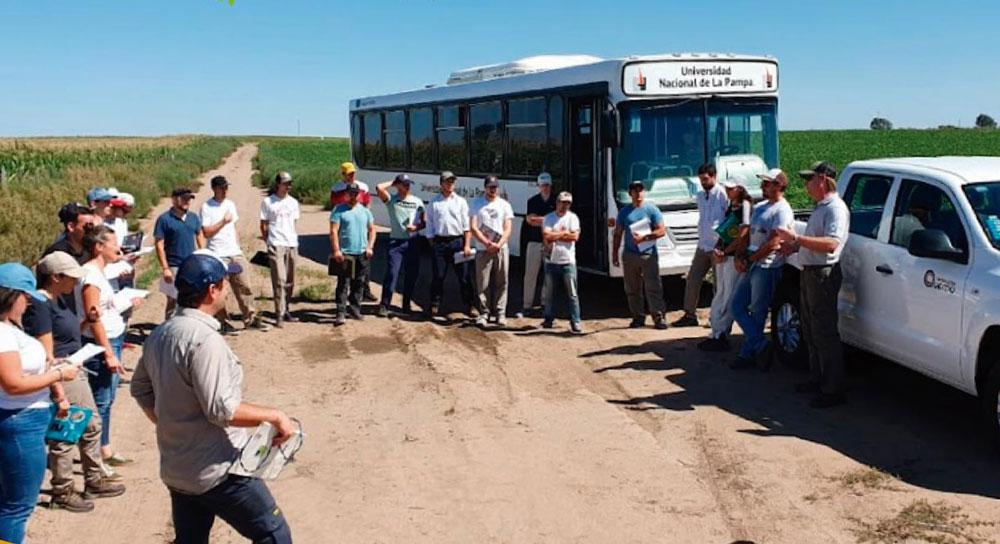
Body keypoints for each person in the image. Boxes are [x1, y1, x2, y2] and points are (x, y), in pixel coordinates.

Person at [131, 252, 294, 544]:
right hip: (219, 471)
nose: (228, 287)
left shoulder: (161, 333)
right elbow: (222, 410)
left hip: (179, 467)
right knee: (274, 535)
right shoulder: (204, 340)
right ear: (212, 290)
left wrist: (173, 423)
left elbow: (140, 389)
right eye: (224, 282)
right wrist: (275, 415)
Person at [23, 253, 125, 513]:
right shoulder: (40, 307)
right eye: (70, 278)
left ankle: (91, 480)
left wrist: (88, 320)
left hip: (73, 367)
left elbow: (67, 334)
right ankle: (64, 490)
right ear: (55, 278)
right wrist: (58, 393)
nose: (75, 283)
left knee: (90, 425)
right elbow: (47, 355)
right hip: (63, 374)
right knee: (69, 430)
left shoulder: (57, 301)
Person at [0, 262, 80, 543]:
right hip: (19, 423)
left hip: (21, 420)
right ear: (13, 296)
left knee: (9, 500)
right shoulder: (3, 334)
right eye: (26, 297)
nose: (27, 304)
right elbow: (13, 383)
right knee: (17, 505)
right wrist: (57, 374)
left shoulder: (9, 329)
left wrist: (50, 368)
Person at [776, 161, 850, 408]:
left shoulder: (835, 209)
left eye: (810, 180)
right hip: (810, 272)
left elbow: (831, 243)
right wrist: (794, 246)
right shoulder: (821, 207)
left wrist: (797, 239)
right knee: (810, 327)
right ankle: (817, 378)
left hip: (823, 274)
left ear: (823, 180)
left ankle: (832, 389)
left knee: (824, 331)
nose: (806, 185)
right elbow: (815, 239)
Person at [730, 168, 794, 370]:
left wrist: (751, 259)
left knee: (758, 311)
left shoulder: (782, 210)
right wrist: (741, 256)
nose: (763, 186)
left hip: (767, 266)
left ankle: (748, 354)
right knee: (737, 306)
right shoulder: (760, 207)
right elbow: (748, 234)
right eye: (763, 183)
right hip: (751, 262)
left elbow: (773, 242)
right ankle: (760, 344)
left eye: (767, 183)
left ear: (779, 185)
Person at [698, 178, 752, 352]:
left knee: (728, 293)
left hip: (733, 256)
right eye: (727, 188)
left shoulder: (745, 206)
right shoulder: (731, 206)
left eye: (731, 188)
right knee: (720, 291)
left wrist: (729, 250)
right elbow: (724, 229)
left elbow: (743, 232)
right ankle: (716, 331)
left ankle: (722, 333)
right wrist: (718, 248)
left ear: (740, 188)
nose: (728, 191)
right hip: (724, 254)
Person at [200, 175, 260, 331]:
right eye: (222, 188)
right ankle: (222, 322)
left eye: (226, 187)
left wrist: (238, 247)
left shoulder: (230, 204)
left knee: (245, 285)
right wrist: (223, 222)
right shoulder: (206, 207)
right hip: (217, 254)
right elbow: (206, 232)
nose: (225, 190)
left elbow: (233, 228)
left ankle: (250, 318)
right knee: (220, 290)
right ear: (214, 189)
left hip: (234, 252)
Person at [674, 164, 729, 327]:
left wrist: (723, 244)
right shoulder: (700, 196)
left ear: (714, 177)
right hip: (703, 244)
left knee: (719, 284)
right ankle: (690, 314)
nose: (703, 182)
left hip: (717, 245)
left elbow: (728, 218)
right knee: (693, 278)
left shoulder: (722, 194)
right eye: (701, 180)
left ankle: (718, 317)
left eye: (705, 179)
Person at [613, 180, 668, 329]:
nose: (638, 194)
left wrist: (645, 238)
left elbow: (662, 230)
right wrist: (614, 254)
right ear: (630, 193)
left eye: (641, 190)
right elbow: (618, 233)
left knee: (653, 287)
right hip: (630, 255)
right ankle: (637, 317)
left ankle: (659, 317)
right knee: (632, 289)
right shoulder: (624, 212)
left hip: (648, 254)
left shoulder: (652, 210)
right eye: (635, 191)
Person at [424, 171, 475, 318]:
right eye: (447, 181)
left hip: (458, 242)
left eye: (452, 181)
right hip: (440, 243)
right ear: (441, 184)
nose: (450, 184)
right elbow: (430, 226)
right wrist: (433, 244)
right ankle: (434, 304)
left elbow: (466, 226)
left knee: (464, 277)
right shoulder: (434, 202)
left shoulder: (461, 201)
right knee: (438, 276)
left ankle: (470, 305)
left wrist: (466, 245)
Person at [375, 174, 424, 317]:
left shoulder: (417, 201)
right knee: (392, 273)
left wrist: (416, 227)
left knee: (411, 275)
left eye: (408, 184)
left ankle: (406, 304)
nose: (407, 186)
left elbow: (423, 222)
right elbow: (379, 188)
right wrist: (393, 182)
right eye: (404, 184)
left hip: (413, 241)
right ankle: (384, 304)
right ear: (398, 185)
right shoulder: (391, 200)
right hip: (395, 242)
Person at [470, 175, 514, 327]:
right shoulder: (477, 204)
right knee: (483, 283)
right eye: (490, 187)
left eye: (495, 187)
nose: (493, 190)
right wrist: (487, 242)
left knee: (502, 281)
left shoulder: (504, 205)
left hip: (501, 249)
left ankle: (501, 313)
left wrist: (499, 244)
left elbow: (508, 228)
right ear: (485, 188)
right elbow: (473, 227)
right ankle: (484, 313)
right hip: (483, 249)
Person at [155, 187, 205, 319]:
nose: (187, 201)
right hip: (173, 265)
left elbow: (199, 234)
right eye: (183, 198)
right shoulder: (164, 219)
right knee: (173, 300)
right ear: (174, 200)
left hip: (191, 265)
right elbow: (159, 244)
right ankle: (169, 328)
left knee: (192, 298)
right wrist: (165, 268)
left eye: (189, 199)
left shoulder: (193, 217)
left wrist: (202, 251)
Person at [330, 185, 376, 326]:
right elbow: (333, 231)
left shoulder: (365, 211)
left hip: (362, 253)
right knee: (343, 284)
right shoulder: (339, 210)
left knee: (359, 283)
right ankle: (341, 312)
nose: (354, 196)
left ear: (359, 195)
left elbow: (372, 230)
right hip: (345, 254)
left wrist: (370, 247)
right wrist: (336, 250)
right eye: (351, 193)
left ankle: (355, 309)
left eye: (356, 193)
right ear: (346, 194)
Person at [331, 162, 376, 303]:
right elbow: (335, 206)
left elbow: (368, 203)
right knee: (345, 269)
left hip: (360, 222)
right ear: (343, 174)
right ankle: (344, 300)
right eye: (349, 173)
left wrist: (365, 216)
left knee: (363, 266)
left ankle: (365, 291)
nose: (351, 176)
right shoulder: (337, 189)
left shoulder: (362, 187)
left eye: (353, 173)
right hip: (345, 226)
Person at [260, 171, 300, 328]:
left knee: (290, 280)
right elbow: (263, 224)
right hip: (276, 243)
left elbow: (293, 223)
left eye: (290, 183)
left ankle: (286, 308)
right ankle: (279, 313)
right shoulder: (268, 202)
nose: (288, 186)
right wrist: (268, 241)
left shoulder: (294, 203)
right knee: (279, 280)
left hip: (291, 243)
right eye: (285, 183)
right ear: (278, 184)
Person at [540, 191, 583, 334]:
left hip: (568, 262)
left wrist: (556, 235)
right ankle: (548, 319)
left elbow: (575, 237)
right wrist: (564, 233)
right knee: (550, 293)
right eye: (562, 202)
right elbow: (547, 236)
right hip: (551, 261)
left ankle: (575, 321)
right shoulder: (548, 218)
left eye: (568, 203)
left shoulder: (573, 218)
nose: (565, 206)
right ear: (557, 203)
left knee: (572, 294)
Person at [518, 172, 556, 319]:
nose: (545, 188)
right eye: (542, 185)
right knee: (530, 275)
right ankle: (527, 305)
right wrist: (549, 219)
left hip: (551, 243)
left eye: (547, 185)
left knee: (549, 276)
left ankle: (545, 304)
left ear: (550, 186)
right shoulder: (532, 201)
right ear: (539, 186)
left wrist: (539, 220)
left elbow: (558, 220)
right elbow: (530, 220)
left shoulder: (556, 200)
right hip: (534, 242)